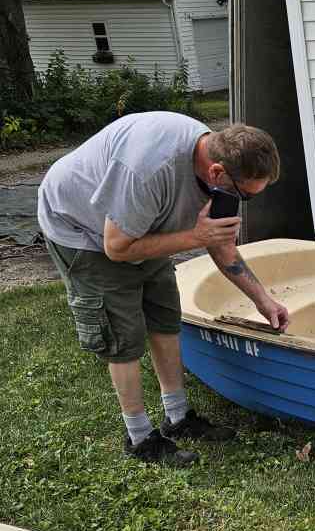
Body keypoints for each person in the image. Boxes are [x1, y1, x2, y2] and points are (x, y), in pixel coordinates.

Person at [37, 112, 289, 467]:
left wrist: (263, 300)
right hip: (85, 231)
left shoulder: (217, 165)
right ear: (217, 172)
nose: (246, 201)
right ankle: (139, 438)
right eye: (245, 196)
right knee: (123, 336)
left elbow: (220, 244)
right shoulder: (148, 171)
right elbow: (117, 247)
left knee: (164, 318)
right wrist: (193, 237)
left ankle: (178, 417)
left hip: (145, 224)